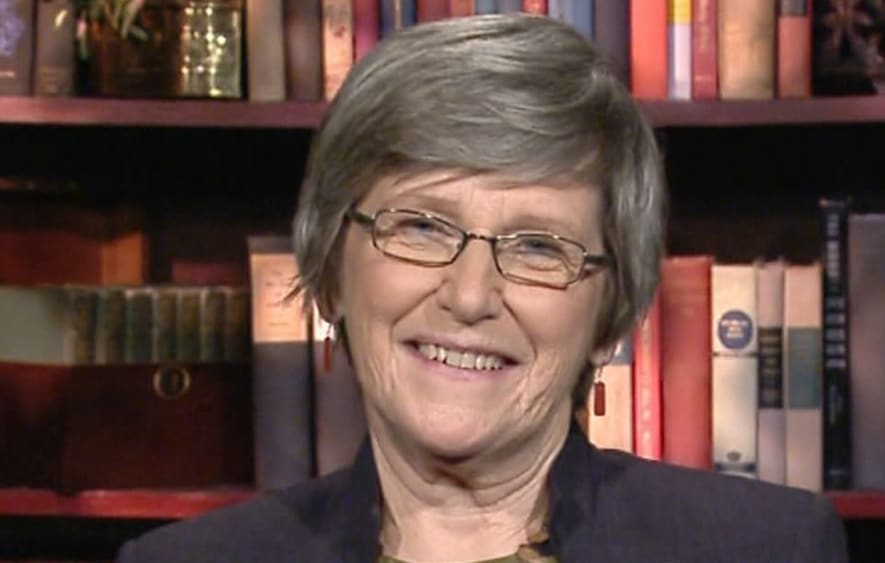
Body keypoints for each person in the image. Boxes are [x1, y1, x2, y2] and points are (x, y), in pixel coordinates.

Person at [116, 13, 848, 563]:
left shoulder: (765, 548)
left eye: (538, 246)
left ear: (608, 315)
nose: (469, 296)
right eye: (420, 227)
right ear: (333, 270)